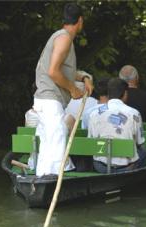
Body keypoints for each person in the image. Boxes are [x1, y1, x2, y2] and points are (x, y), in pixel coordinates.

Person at [32, 3, 93, 176]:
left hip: (46, 100)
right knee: (57, 143)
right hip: (50, 100)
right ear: (80, 21)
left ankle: (42, 180)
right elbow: (53, 71)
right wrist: (73, 89)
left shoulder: (62, 37)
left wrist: (84, 78)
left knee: (48, 146)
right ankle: (52, 183)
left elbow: (66, 71)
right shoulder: (64, 38)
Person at [88, 78, 146, 173]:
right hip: (127, 167)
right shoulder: (134, 113)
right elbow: (139, 142)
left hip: (100, 167)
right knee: (144, 150)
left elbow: (91, 140)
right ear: (125, 93)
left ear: (108, 94)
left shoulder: (94, 113)